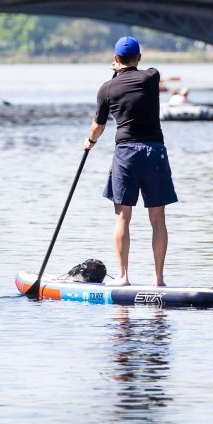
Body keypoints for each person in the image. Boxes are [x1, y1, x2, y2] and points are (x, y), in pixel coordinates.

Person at [84, 36, 177, 287]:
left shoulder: (107, 88)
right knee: (158, 218)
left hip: (126, 153)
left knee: (122, 217)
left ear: (115, 59)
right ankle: (159, 279)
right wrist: (123, 68)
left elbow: (98, 126)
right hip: (154, 151)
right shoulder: (150, 77)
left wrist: (89, 143)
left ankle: (123, 277)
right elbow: (149, 70)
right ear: (139, 57)